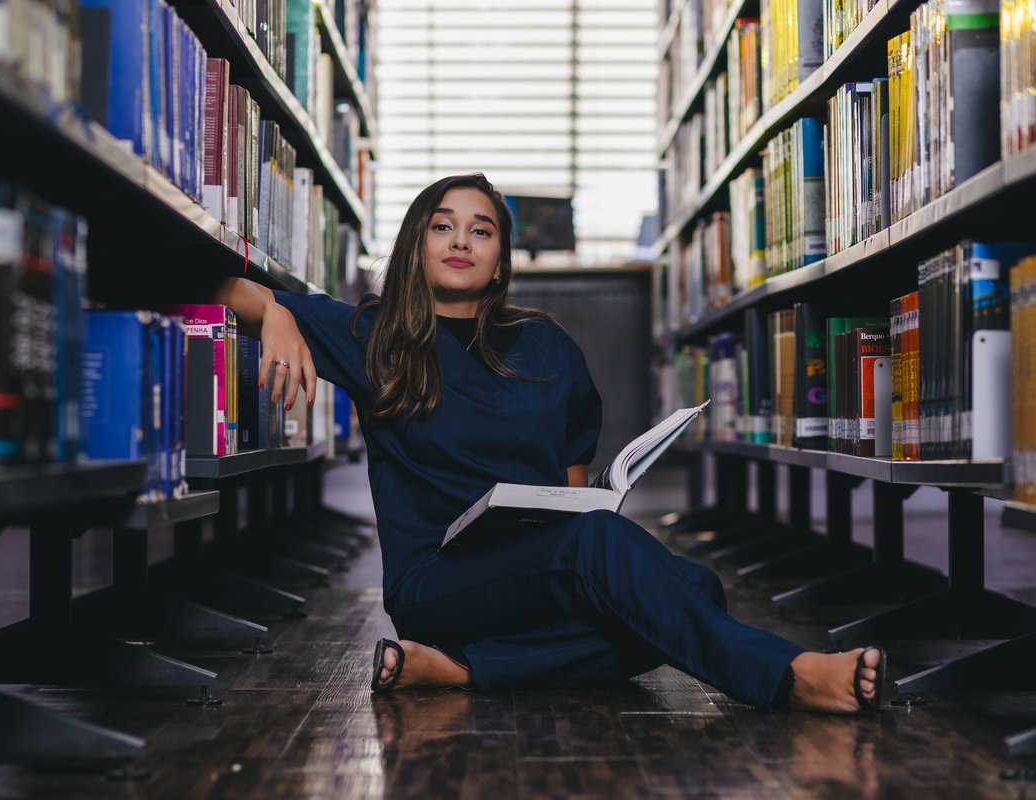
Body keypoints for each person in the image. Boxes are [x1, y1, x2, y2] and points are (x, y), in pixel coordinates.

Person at [214, 172, 885, 713]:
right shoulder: (371, 333)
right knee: (642, 584)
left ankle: (468, 670)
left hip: (538, 569)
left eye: (482, 231)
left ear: (502, 256)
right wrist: (277, 312)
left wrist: (582, 518)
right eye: (442, 225)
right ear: (415, 243)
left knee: (695, 588)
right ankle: (787, 675)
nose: (461, 241)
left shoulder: (546, 344)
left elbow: (570, 484)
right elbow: (212, 278)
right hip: (435, 583)